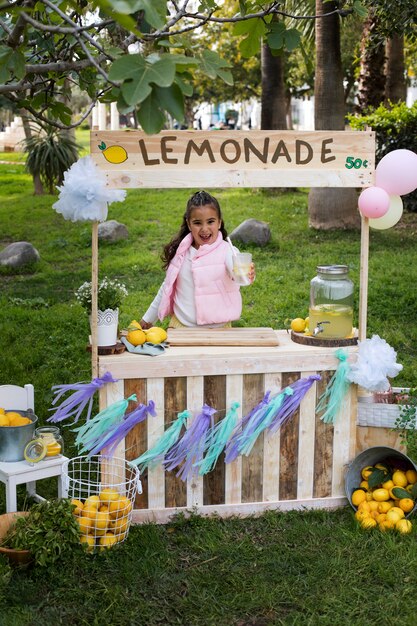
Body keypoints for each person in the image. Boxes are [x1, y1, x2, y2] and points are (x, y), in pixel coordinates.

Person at [140, 190, 255, 329]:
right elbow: (167, 286)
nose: (204, 229)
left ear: (219, 223)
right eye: (197, 223)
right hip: (181, 326)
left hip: (220, 331)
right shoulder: (181, 252)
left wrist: (245, 275)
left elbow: (236, 272)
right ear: (189, 224)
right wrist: (147, 319)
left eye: (210, 221)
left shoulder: (228, 251)